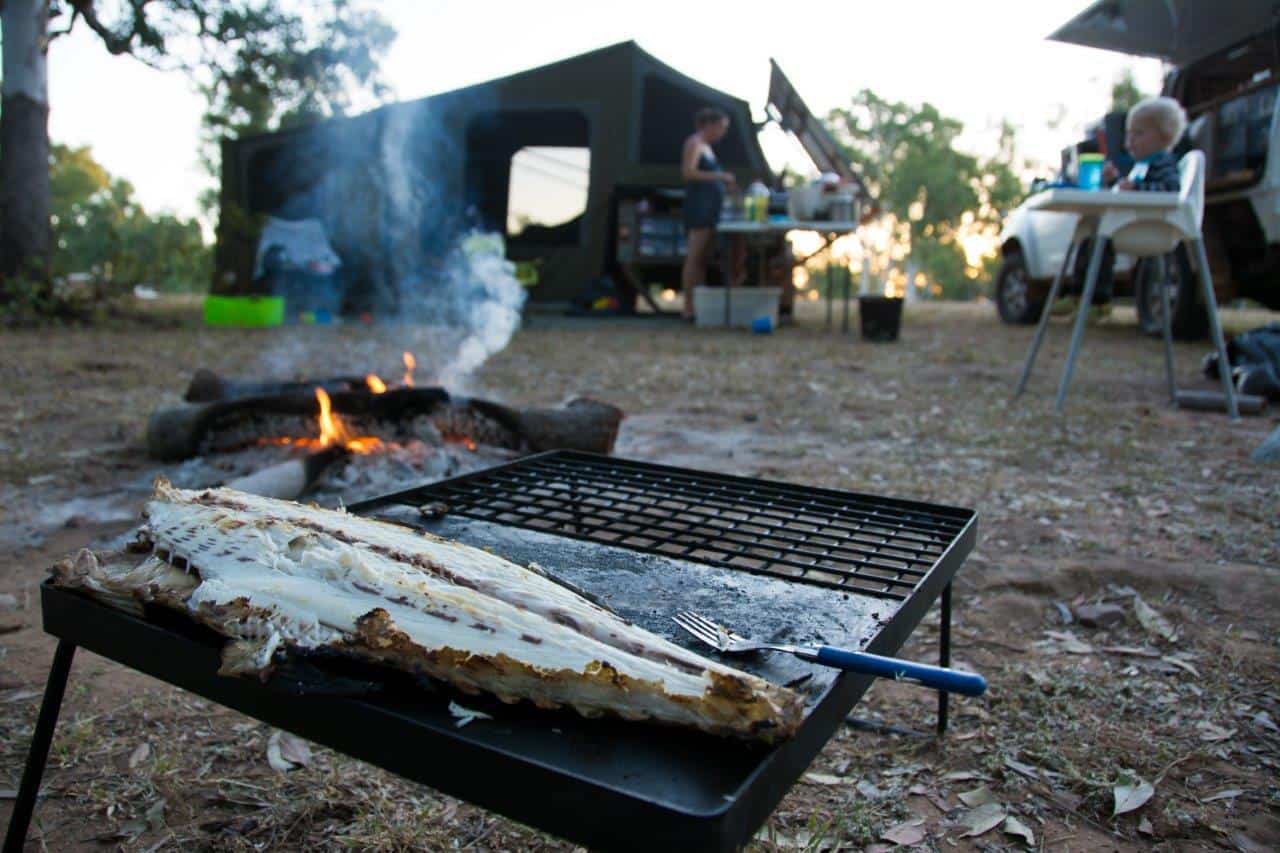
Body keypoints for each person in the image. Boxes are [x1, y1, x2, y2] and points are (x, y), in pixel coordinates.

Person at [1069, 96, 1187, 317]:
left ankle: (1098, 299)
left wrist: (1137, 187)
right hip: (1134, 223)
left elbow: (1171, 189)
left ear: (1164, 136)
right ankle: (1078, 294)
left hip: (1152, 227)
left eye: (1138, 133)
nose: (1130, 141)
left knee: (1099, 238)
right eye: (1128, 134)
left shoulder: (1163, 162)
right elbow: (1130, 194)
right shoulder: (1141, 166)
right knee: (1087, 233)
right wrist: (1115, 181)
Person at [680, 107, 737, 320]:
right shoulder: (694, 143)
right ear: (710, 125)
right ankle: (688, 307)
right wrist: (720, 176)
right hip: (699, 208)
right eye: (721, 127)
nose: (723, 132)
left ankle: (699, 305)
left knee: (702, 258)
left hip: (711, 208)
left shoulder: (707, 147)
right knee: (694, 256)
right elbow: (688, 172)